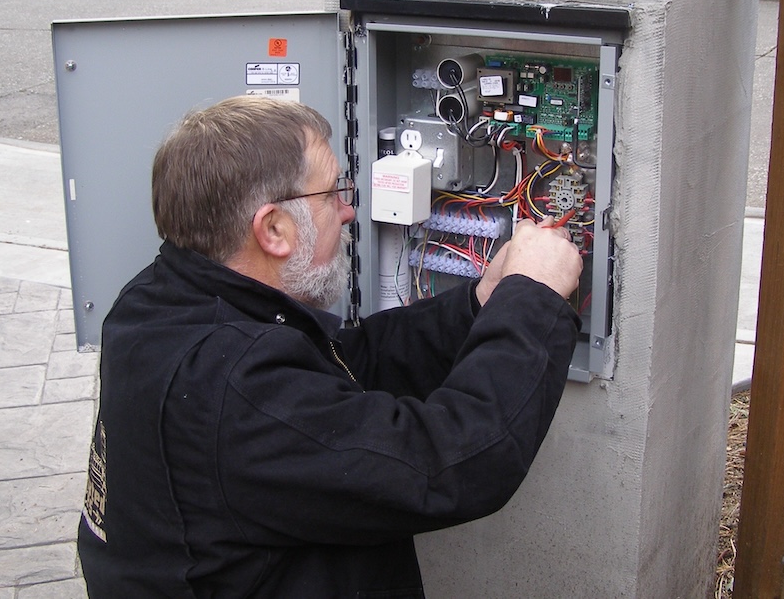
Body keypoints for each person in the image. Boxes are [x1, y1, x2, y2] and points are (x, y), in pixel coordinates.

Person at [78, 95, 584, 598]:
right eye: (333, 193)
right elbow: (448, 465)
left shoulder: (155, 301)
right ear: (273, 229)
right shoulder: (235, 386)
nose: (348, 211)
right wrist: (532, 298)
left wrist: (479, 303)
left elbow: (346, 364)